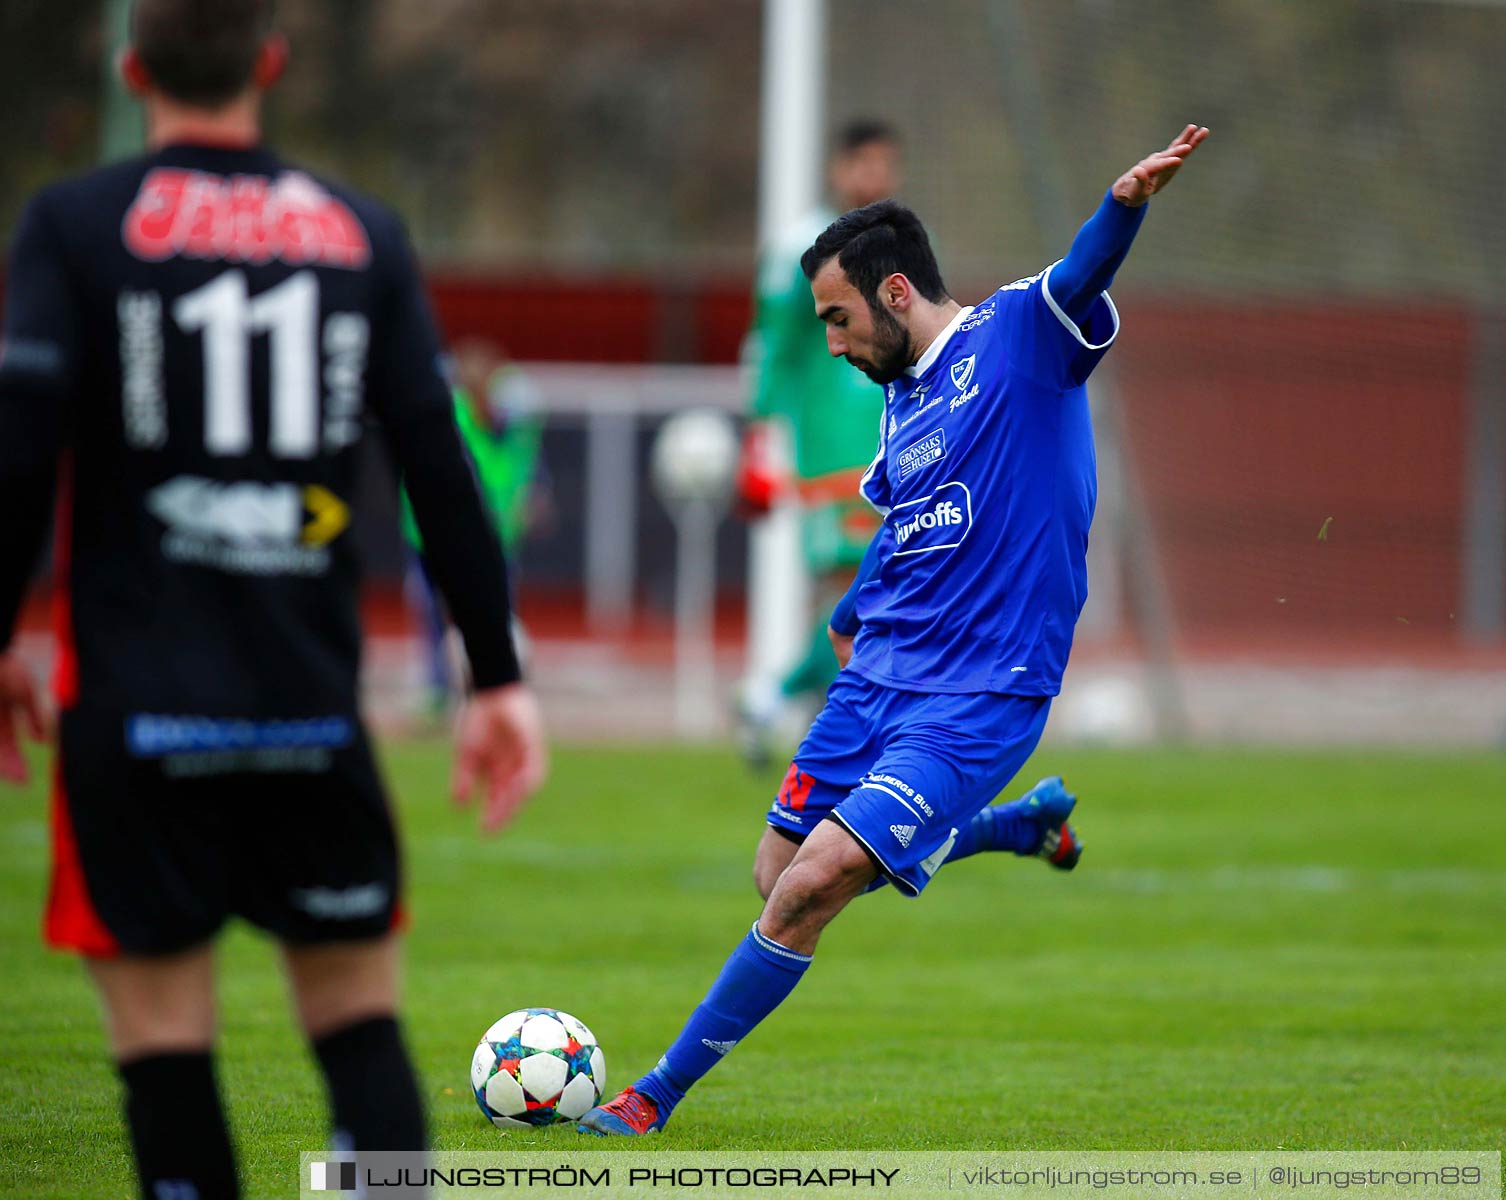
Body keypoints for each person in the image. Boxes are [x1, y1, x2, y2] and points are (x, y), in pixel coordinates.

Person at [0, 2, 547, 1196]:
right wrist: (497, 678)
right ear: (272, 63)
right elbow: (439, 466)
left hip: (137, 713)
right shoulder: (360, 234)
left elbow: (20, 450)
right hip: (307, 710)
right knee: (357, 1030)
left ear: (130, 64)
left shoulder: (77, 226)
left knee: (164, 1053)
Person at [580, 125, 1209, 1138]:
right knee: (775, 872)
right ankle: (1016, 824)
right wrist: (845, 617)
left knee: (811, 889)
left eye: (835, 320)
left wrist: (1124, 205)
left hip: (982, 691)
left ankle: (653, 1095)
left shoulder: (1018, 337)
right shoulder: (902, 405)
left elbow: (1083, 273)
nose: (830, 343)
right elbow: (904, 530)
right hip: (877, 677)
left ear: (895, 294)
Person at [736, 120, 901, 761]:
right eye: (862, 163)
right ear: (838, 169)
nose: (874, 176)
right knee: (852, 584)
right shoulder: (799, 246)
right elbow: (772, 343)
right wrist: (760, 432)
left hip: (896, 443)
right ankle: (801, 711)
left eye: (885, 164)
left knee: (884, 587)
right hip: (829, 450)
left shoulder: (909, 245)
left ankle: (780, 701)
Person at [401, 337, 545, 719]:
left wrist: (526, 500)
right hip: (433, 538)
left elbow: (524, 470)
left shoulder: (516, 420)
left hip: (495, 539)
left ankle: (493, 687)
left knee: (494, 615)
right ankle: (440, 691)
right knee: (433, 617)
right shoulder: (449, 419)